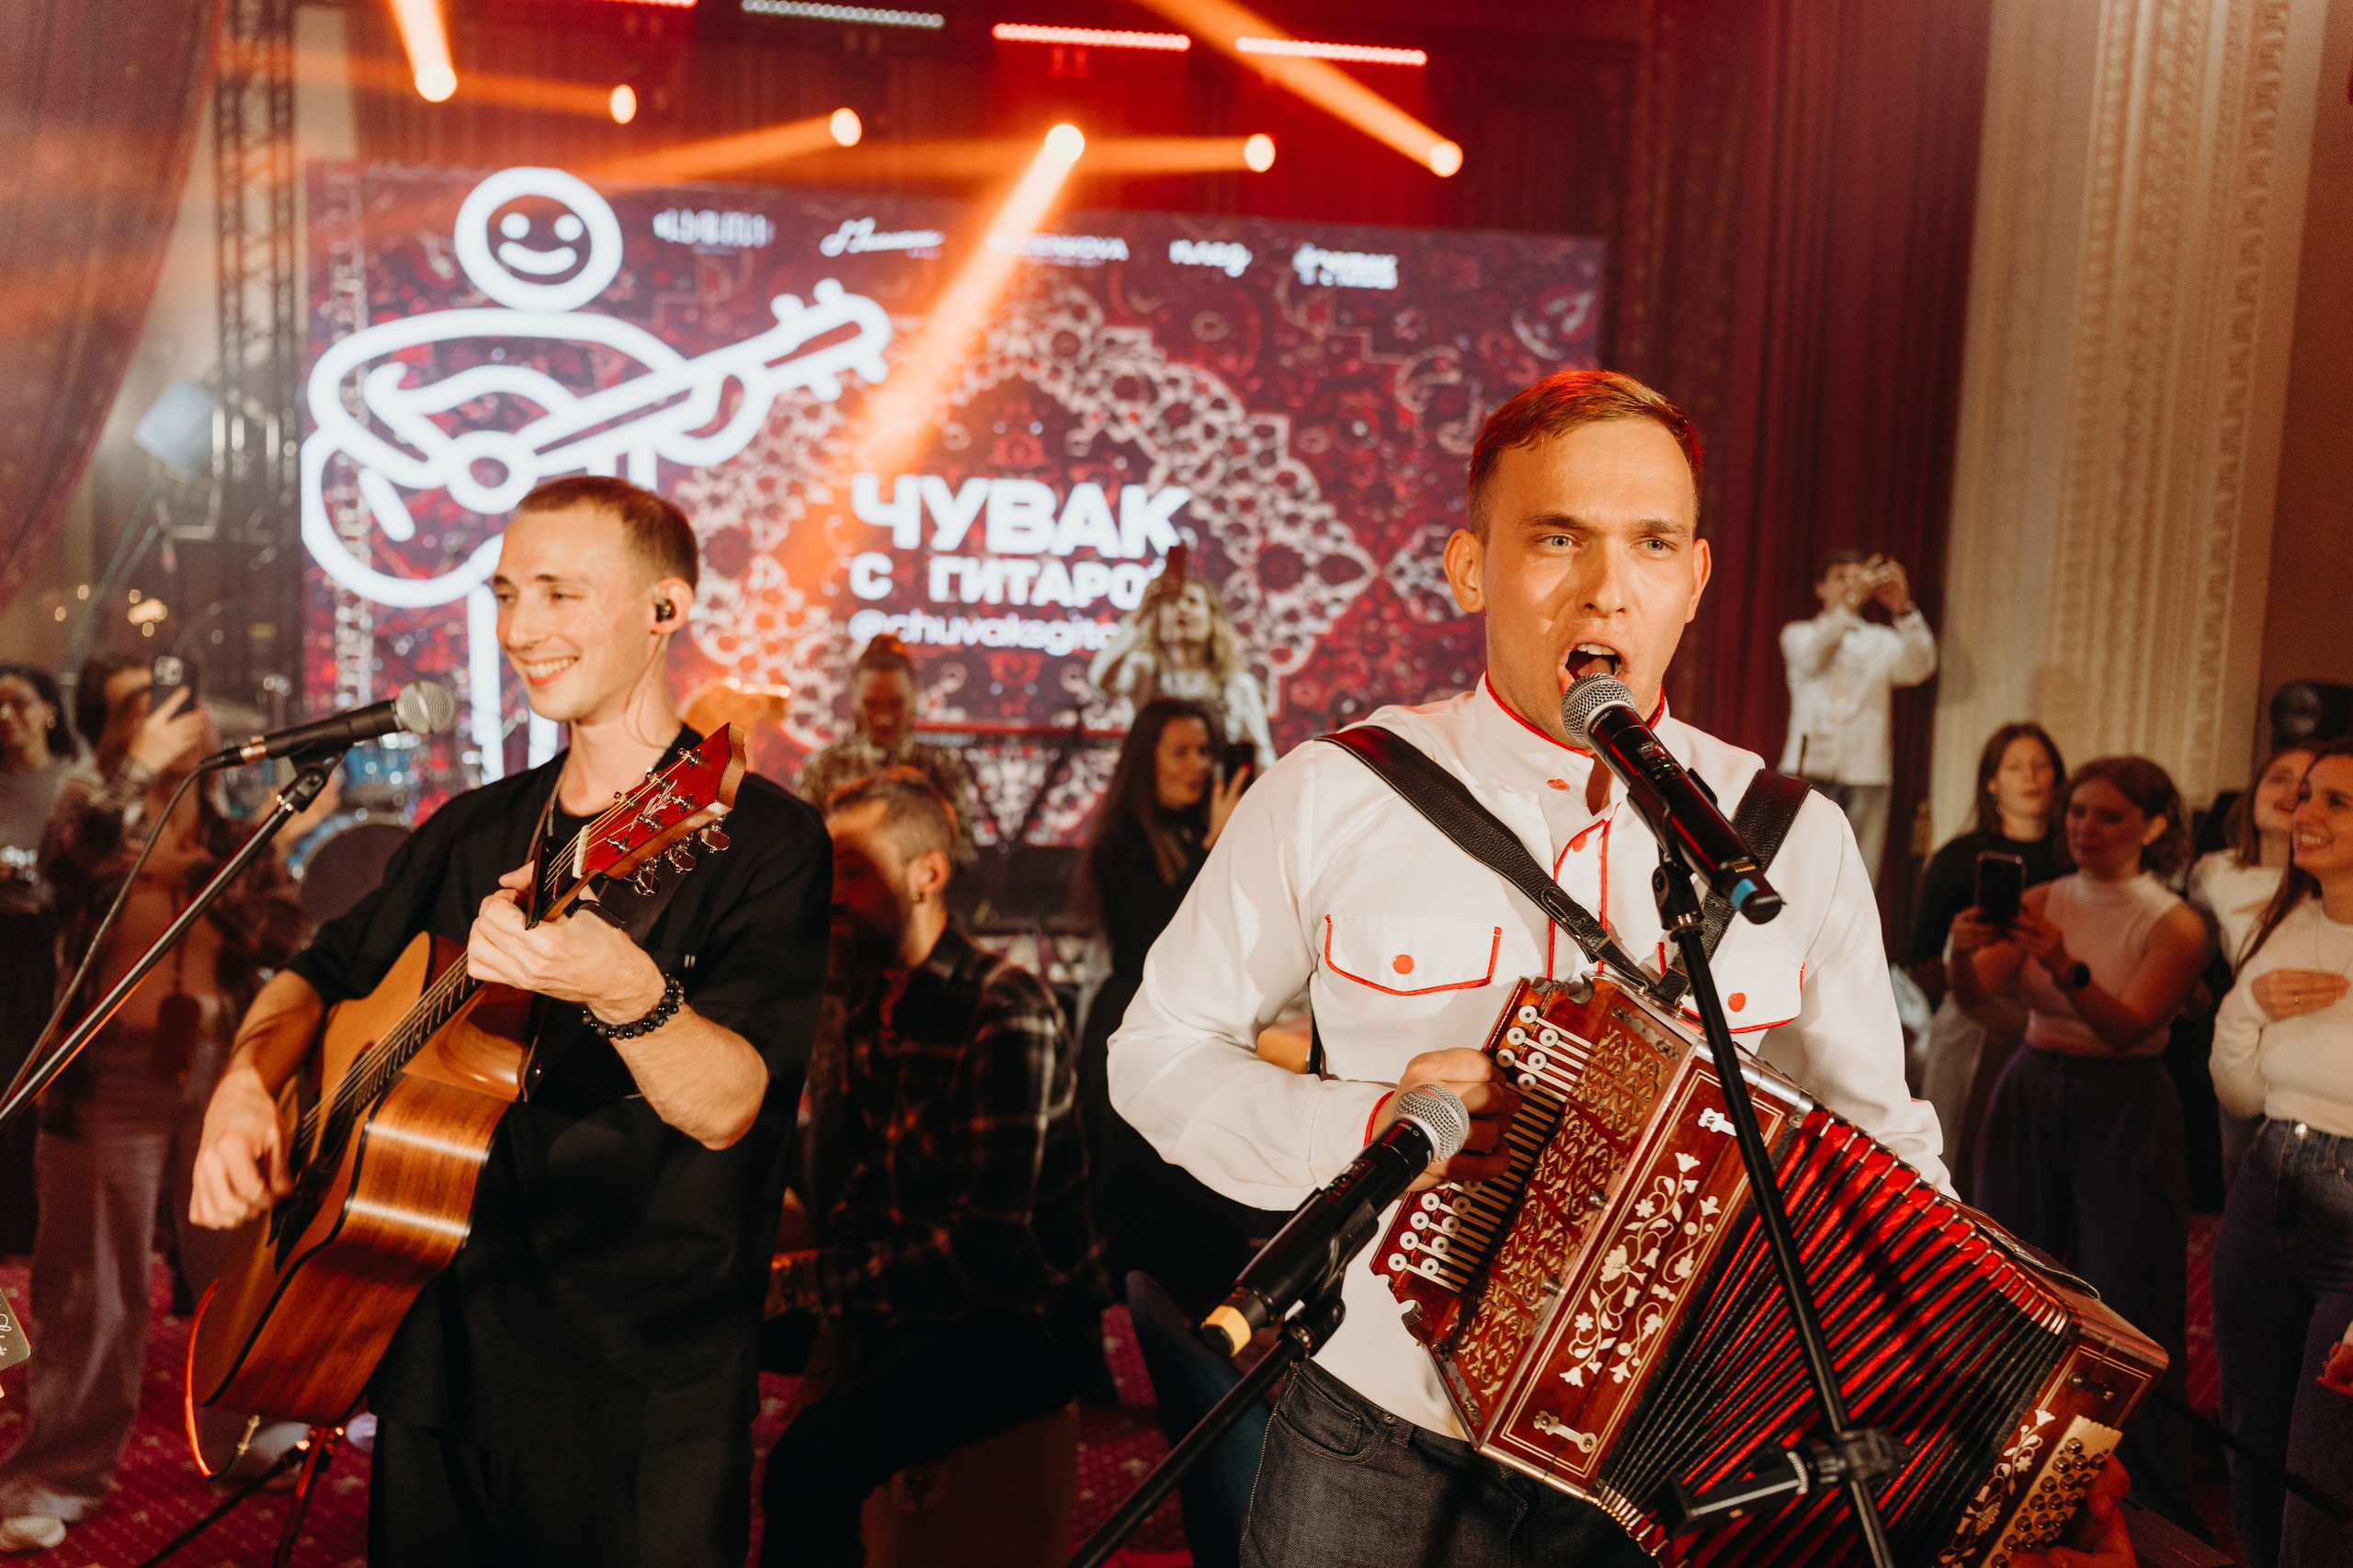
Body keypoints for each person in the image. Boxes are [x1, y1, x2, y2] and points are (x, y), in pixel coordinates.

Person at [1109, 369, 1943, 1565]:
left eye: (1652, 543)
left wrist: (1946, 1392)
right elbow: (1157, 1049)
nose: (1609, 586)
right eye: (1559, 538)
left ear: (1696, 580)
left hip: (1674, 1454)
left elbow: (1881, 1144)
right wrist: (1361, 1128)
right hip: (1381, 1423)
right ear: (1470, 568)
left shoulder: (1784, 830)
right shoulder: (1336, 791)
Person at [187, 475, 831, 1568]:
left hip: (639, 1387)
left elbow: (729, 1106)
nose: (521, 628)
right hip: (432, 1348)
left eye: (559, 593)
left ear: (663, 610)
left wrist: (627, 990)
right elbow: (315, 975)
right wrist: (245, 1086)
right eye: (506, 593)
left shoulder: (759, 839)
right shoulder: (473, 824)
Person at [0, 662, 312, 1555]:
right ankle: (59, 1468)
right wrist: (137, 791)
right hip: (109, 1077)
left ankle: (248, 1435)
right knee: (88, 1281)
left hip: (221, 1071)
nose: (176, 717)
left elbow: (287, 936)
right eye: (143, 705)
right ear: (114, 729)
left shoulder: (244, 823)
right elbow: (64, 874)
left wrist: (203, 870)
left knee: (237, 1264)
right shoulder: (86, 813)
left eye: (182, 702)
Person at [761, 768, 1106, 1568]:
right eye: (830, 871)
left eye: (852, 868)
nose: (832, 894)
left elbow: (985, 1252)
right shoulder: (874, 992)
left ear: (927, 874)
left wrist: (809, 1286)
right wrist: (830, 1309)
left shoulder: (1003, 1007)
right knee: (702, 1328)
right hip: (918, 1288)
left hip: (1020, 1320)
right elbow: (870, 1186)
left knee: (808, 1468)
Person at [1950, 756, 2208, 1528]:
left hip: (2123, 1100)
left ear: (2154, 827)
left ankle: (2152, 1495)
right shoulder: (2042, 895)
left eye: (2109, 816)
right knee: (2011, 1275)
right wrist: (1966, 949)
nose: (2086, 829)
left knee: (2128, 1289)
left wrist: (2062, 960)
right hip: (2031, 1083)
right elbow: (1973, 995)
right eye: (2078, 814)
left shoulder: (2176, 921)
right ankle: (1991, 1459)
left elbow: (2127, 1025)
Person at [2207, 737, 2353, 1568]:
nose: (2306, 814)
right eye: (2305, 796)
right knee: (2251, 1441)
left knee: (2322, 1471)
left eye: (2336, 801)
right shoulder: (2283, 918)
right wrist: (2247, 1009)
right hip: (2264, 1192)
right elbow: (2240, 1093)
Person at [1075, 698, 1253, 1312]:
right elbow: (1160, 935)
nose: (1199, 765)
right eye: (1182, 752)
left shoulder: (1201, 830)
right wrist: (1214, 845)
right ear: (1144, 761)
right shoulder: (1122, 841)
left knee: (1204, 1191)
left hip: (1201, 1030)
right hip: (1137, 1023)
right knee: (1142, 1196)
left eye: (1205, 751)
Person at [1909, 722, 2068, 1197]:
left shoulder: (2074, 855)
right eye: (2016, 767)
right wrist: (1967, 962)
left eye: (2041, 765)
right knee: (1958, 1151)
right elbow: (1917, 955)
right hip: (1980, 1008)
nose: (2031, 776)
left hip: (2064, 1007)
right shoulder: (1961, 857)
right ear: (1992, 783)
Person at [2188, 743, 2316, 1190]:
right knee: (2241, 1182)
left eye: (2307, 783)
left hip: (2312, 1053)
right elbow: (2194, 947)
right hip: (2242, 1049)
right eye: (2278, 777)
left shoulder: (2333, 882)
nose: (2291, 791)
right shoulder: (2214, 873)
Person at [1778, 548, 1938, 879]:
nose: (1851, 584)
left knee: (1857, 877)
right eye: (1841, 578)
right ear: (1820, 587)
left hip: (1867, 775)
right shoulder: (1800, 634)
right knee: (1796, 874)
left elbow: (1921, 666)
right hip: (1806, 770)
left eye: (1856, 577)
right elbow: (1812, 659)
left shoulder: (1881, 641)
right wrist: (1850, 603)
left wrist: (1903, 609)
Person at [0, 664, 77, 1257]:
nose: (6, 718)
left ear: (49, 708)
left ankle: (28, 1223)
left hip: (47, 944)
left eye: (18, 704)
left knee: (32, 1078)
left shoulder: (72, 783)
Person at [798, 634, 981, 864]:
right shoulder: (824, 767)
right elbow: (801, 849)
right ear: (854, 698)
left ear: (914, 695)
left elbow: (965, 854)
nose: (883, 718)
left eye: (895, 704)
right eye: (871, 704)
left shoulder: (941, 767)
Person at [1088, 571, 1274, 768]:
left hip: (1213, 793)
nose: (1181, 608)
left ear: (1213, 619)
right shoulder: (1144, 671)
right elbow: (1101, 679)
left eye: (1192, 601)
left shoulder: (1237, 685)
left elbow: (1261, 754)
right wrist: (1138, 616)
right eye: (1172, 603)